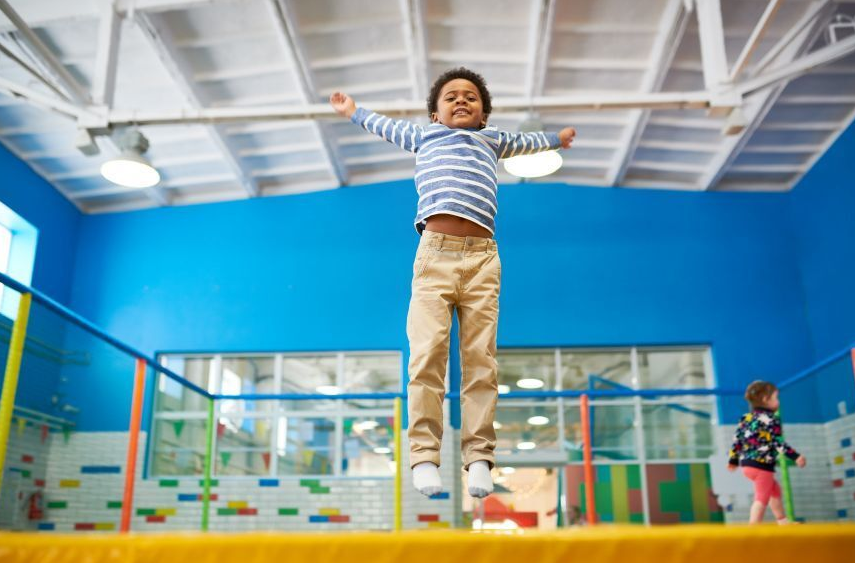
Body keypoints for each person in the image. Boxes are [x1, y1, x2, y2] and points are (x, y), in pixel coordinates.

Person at [330, 67, 576, 498]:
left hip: (483, 259)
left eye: (471, 97)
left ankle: (479, 457)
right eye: (451, 97)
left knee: (481, 361)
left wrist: (557, 138)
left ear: (484, 115)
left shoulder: (493, 139)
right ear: (435, 115)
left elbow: (528, 142)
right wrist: (353, 111)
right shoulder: (425, 136)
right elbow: (384, 126)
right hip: (435, 256)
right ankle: (425, 455)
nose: (461, 100)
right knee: (427, 355)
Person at [728, 380, 806, 524]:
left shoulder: (746, 418)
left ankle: (782, 521)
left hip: (747, 465)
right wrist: (795, 456)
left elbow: (737, 440)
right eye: (776, 398)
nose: (778, 402)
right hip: (761, 466)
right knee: (761, 499)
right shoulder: (772, 419)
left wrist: (733, 460)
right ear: (765, 399)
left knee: (774, 491)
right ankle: (753, 529)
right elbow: (777, 442)